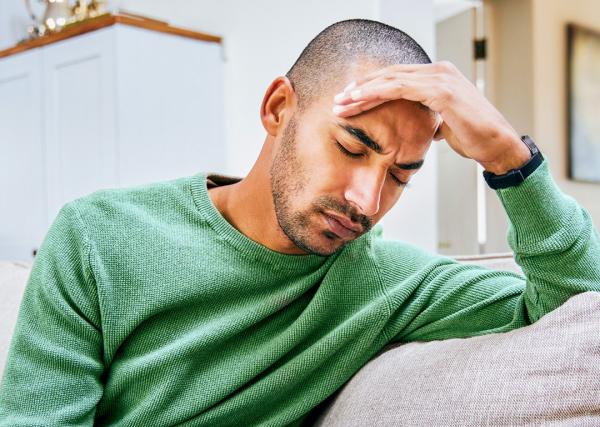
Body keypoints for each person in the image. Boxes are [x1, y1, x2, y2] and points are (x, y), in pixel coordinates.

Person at [1, 18, 599, 427]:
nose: (367, 200)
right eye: (352, 145)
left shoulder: (391, 283)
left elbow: (578, 313)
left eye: (400, 175)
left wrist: (507, 159)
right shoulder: (98, 236)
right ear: (278, 108)